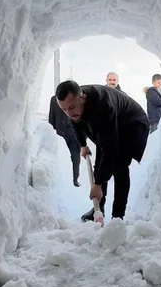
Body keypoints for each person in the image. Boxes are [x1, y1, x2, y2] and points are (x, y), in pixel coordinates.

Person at [55, 80, 150, 221]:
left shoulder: (102, 106)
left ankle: (117, 216)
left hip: (132, 125)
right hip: (111, 124)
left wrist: (98, 184)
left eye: (72, 107)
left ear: (83, 98)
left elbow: (110, 148)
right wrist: (83, 145)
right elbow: (75, 122)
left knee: (119, 167)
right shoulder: (73, 103)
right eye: (64, 109)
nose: (69, 113)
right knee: (99, 166)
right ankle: (98, 209)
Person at [47, 95, 81, 187]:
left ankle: (75, 180)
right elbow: (51, 118)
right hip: (60, 134)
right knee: (62, 159)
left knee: (75, 158)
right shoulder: (54, 99)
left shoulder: (78, 98)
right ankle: (63, 181)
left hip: (74, 135)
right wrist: (52, 134)